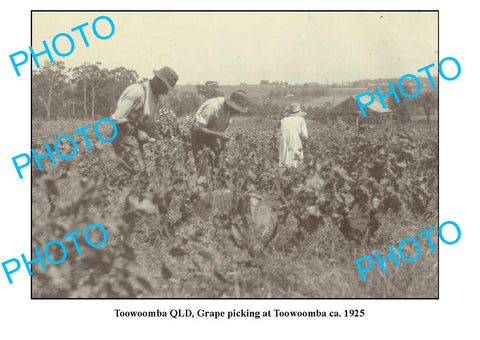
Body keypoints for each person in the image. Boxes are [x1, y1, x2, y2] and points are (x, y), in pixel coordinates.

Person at [110, 66, 179, 176]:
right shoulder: (137, 92)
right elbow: (116, 118)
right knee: (138, 171)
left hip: (136, 135)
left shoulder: (155, 97)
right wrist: (137, 133)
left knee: (143, 171)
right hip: (122, 133)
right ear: (157, 80)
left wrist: (158, 142)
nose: (166, 91)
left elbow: (150, 124)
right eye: (165, 87)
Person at [191, 90, 249, 172]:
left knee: (216, 167)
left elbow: (221, 129)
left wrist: (222, 139)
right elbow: (197, 128)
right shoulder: (213, 107)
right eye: (238, 109)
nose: (238, 112)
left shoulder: (229, 111)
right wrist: (219, 135)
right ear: (232, 105)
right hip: (199, 135)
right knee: (203, 169)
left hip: (212, 135)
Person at [279, 103, 308, 168]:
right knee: (295, 157)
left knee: (285, 157)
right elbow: (305, 135)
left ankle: (285, 169)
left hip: (283, 139)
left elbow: (280, 132)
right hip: (294, 138)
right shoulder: (301, 119)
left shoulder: (283, 120)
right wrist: (304, 139)